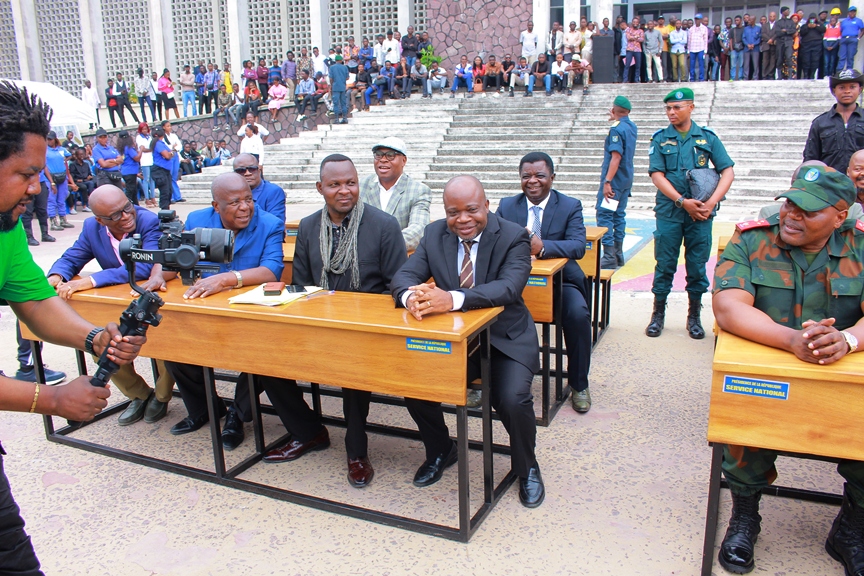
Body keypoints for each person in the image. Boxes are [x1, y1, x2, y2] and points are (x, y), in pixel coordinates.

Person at [0, 80, 144, 576]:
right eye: (25, 174)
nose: (38, 188)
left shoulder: (6, 225)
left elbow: (34, 299)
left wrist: (91, 336)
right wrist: (52, 400)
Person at [712, 166, 864, 576]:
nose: (792, 215)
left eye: (807, 211)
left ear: (839, 215)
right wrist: (791, 340)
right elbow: (729, 307)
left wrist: (849, 339)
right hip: (772, 373)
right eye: (790, 204)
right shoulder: (753, 239)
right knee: (742, 410)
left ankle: (851, 525)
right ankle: (745, 515)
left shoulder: (861, 244)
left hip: (843, 375)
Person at [391, 175, 544, 508]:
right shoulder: (434, 234)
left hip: (505, 339)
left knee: (512, 399)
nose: (462, 219)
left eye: (471, 210)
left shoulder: (514, 236)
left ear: (486, 205)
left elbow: (509, 288)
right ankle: (441, 450)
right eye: (453, 212)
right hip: (457, 342)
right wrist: (409, 298)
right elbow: (404, 276)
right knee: (416, 386)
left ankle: (526, 466)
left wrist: (453, 299)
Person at [260, 155, 406, 488]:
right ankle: (308, 432)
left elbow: (398, 286)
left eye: (350, 183)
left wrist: (355, 315)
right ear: (320, 188)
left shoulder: (384, 226)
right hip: (318, 324)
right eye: (335, 184)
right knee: (264, 359)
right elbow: (302, 282)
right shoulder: (310, 226)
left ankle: (356, 452)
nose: (344, 191)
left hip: (365, 332)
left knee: (350, 369)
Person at [159, 172, 284, 450]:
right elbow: (176, 260)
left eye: (249, 199)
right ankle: (206, 409)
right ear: (216, 206)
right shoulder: (197, 221)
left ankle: (237, 417)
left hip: (251, 314)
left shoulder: (269, 224)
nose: (245, 207)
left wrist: (226, 279)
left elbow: (271, 269)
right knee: (171, 347)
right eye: (235, 202)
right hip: (207, 310)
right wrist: (159, 274)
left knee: (262, 354)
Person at [47, 185, 173, 425]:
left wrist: (91, 280)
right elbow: (74, 256)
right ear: (99, 219)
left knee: (165, 348)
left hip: (154, 300)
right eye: (115, 215)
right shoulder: (91, 228)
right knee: (103, 344)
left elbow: (146, 265)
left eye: (127, 207)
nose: (126, 216)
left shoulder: (149, 221)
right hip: (119, 303)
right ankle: (139, 395)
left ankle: (161, 396)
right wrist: (58, 275)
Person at [498, 153, 593, 414]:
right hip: (514, 284)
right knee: (480, 311)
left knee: (577, 314)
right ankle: (479, 380)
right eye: (526, 176)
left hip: (559, 282)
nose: (533, 181)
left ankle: (578, 384)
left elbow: (577, 245)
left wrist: (543, 247)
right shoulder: (507, 206)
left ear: (552, 177)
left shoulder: (569, 205)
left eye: (539, 175)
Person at [646, 88, 735, 340]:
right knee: (664, 264)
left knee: (697, 266)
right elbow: (657, 175)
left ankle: (694, 317)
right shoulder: (661, 138)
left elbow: (727, 171)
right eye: (668, 108)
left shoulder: (707, 138)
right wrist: (682, 201)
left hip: (702, 215)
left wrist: (711, 203)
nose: (671, 113)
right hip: (670, 212)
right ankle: (657, 315)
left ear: (691, 107)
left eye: (677, 107)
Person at [359, 137, 431, 251]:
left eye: (390, 155)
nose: (383, 159)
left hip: (398, 259)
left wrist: (385, 244)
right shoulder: (360, 186)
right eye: (378, 154)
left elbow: (419, 228)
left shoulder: (418, 191)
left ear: (404, 160)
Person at [596, 96, 637, 270]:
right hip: (626, 179)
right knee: (619, 215)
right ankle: (618, 254)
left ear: (614, 110)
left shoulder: (616, 130)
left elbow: (616, 157)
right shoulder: (631, 126)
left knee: (605, 215)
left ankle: (609, 255)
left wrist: (607, 182)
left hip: (615, 180)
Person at [804, 69, 864, 174]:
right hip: (829, 185)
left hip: (860, 183)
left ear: (860, 89)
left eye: (852, 87)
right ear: (833, 91)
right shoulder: (820, 123)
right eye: (842, 88)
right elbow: (811, 158)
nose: (847, 91)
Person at [232, 152, 285, 223]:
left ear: (259, 171)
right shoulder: (229, 193)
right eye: (241, 170)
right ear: (234, 174)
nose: (248, 173)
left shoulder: (273, 192)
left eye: (252, 169)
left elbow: (276, 225)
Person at [44, 131, 73, 231]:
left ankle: (63, 219)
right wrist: (51, 182)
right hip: (51, 177)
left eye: (50, 139)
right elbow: (44, 167)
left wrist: (65, 160)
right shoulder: (45, 151)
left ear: (55, 139)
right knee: (51, 199)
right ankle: (53, 221)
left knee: (62, 198)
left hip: (62, 176)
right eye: (47, 139)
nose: (49, 141)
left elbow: (69, 155)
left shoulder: (61, 149)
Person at [148, 126, 174, 210]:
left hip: (165, 170)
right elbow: (167, 155)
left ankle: (167, 210)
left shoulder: (160, 143)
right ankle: (164, 212)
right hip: (160, 170)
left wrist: (170, 153)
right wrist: (171, 154)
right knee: (165, 192)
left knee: (169, 191)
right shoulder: (158, 144)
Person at [116, 130, 141, 205]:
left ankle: (135, 206)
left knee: (133, 191)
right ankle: (127, 206)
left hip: (126, 171)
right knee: (130, 191)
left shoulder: (122, 148)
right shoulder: (128, 148)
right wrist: (141, 150)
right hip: (130, 171)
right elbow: (136, 158)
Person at [135, 123, 156, 208]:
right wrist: (150, 149)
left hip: (151, 160)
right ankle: (147, 199)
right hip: (144, 161)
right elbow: (142, 149)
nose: (145, 130)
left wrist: (150, 149)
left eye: (146, 129)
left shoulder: (149, 137)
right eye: (143, 129)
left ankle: (153, 197)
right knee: (146, 179)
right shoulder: (139, 137)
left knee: (152, 180)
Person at [69, 148, 95, 213]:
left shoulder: (86, 164)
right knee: (83, 187)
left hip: (86, 180)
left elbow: (89, 174)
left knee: (91, 183)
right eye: (80, 155)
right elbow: (71, 176)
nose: (81, 156)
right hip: (77, 182)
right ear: (77, 156)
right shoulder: (72, 165)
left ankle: (90, 199)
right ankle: (84, 206)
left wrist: (90, 176)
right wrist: (77, 180)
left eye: (83, 154)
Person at [839, 6, 864, 71]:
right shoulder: (844, 21)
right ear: (848, 13)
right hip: (844, 39)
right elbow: (841, 30)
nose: (852, 13)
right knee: (842, 56)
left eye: (854, 11)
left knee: (850, 57)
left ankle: (849, 72)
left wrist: (858, 38)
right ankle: (839, 72)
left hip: (853, 39)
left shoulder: (858, 21)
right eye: (851, 11)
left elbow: (862, 30)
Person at [775, 7, 797, 79]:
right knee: (779, 58)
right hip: (780, 42)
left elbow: (793, 30)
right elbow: (777, 33)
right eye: (787, 11)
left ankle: (790, 76)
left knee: (789, 57)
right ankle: (779, 76)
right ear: (783, 12)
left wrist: (786, 31)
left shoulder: (791, 22)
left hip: (788, 41)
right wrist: (784, 32)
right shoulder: (778, 22)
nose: (788, 12)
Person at [329, 55, 349, 124]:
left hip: (335, 87)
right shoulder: (345, 67)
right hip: (343, 87)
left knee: (336, 104)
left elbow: (331, 78)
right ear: (341, 60)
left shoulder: (332, 67)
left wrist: (331, 85)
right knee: (343, 103)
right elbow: (347, 78)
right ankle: (345, 118)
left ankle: (337, 119)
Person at [688, 14, 709, 81]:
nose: (697, 20)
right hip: (692, 49)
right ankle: (692, 78)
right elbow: (689, 40)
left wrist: (705, 51)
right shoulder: (691, 29)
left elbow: (705, 40)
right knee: (692, 65)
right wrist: (688, 50)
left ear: (701, 20)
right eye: (696, 19)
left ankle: (701, 78)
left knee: (701, 64)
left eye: (698, 19)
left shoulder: (704, 28)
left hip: (701, 49)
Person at [624, 17, 644, 84]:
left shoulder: (641, 31)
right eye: (634, 22)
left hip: (638, 50)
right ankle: (625, 79)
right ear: (632, 23)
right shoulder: (628, 30)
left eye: (636, 22)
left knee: (638, 66)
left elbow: (642, 39)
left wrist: (633, 37)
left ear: (638, 23)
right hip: (629, 49)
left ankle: (636, 79)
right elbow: (628, 38)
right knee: (627, 65)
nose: (635, 23)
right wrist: (636, 37)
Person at [761, 11, 779, 79]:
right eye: (771, 16)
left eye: (773, 16)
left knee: (772, 61)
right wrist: (769, 40)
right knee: (765, 61)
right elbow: (763, 34)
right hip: (766, 45)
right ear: (768, 17)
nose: (772, 18)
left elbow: (777, 33)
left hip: (774, 45)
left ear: (775, 17)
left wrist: (772, 39)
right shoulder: (764, 25)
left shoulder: (777, 25)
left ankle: (771, 75)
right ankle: (764, 75)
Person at [743, 15, 762, 80]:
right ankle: (745, 77)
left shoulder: (758, 28)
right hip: (747, 49)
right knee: (746, 64)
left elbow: (759, 38)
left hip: (755, 49)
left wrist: (754, 44)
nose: (749, 21)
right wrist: (747, 44)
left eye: (750, 20)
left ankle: (755, 77)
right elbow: (743, 38)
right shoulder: (745, 29)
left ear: (754, 20)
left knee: (755, 64)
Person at [825, 12, 842, 78]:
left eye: (834, 21)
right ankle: (826, 75)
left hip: (834, 47)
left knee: (832, 62)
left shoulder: (838, 28)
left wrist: (833, 47)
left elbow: (838, 40)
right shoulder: (827, 27)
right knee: (826, 63)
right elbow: (824, 39)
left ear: (836, 21)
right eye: (831, 21)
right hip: (827, 47)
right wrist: (827, 47)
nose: (832, 22)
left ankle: (830, 74)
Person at [730, 15, 746, 81]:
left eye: (738, 20)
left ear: (741, 21)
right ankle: (732, 78)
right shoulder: (732, 30)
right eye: (735, 20)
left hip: (742, 49)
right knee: (733, 65)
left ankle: (740, 77)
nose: (736, 22)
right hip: (734, 49)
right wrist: (731, 49)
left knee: (741, 65)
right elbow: (730, 40)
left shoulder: (744, 29)